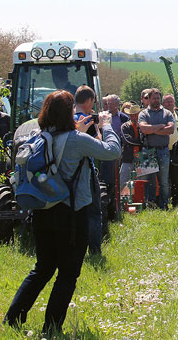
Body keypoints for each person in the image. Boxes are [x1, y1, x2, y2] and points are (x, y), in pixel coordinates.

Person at [4, 90, 120, 335]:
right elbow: (112, 152)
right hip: (71, 215)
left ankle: (13, 319)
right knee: (68, 274)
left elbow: (58, 142)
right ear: (69, 113)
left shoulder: (38, 135)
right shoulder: (77, 139)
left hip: (42, 209)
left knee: (42, 268)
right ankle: (51, 328)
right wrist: (107, 126)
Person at [73, 85, 105, 255]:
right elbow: (98, 146)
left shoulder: (68, 118)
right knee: (93, 213)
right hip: (86, 169)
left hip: (69, 171)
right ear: (90, 100)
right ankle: (94, 249)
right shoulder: (87, 121)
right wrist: (100, 126)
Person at [138, 88, 175, 210]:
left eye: (158, 98)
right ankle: (150, 204)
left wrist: (152, 129)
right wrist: (160, 127)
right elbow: (144, 129)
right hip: (147, 151)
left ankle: (164, 204)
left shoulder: (167, 113)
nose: (156, 100)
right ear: (149, 99)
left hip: (163, 150)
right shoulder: (143, 114)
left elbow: (170, 130)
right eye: (154, 98)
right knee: (148, 180)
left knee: (163, 180)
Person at [163, 93, 178, 207]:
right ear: (163, 104)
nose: (169, 103)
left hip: (177, 151)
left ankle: (176, 201)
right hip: (164, 151)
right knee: (164, 178)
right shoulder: (160, 116)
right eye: (167, 102)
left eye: (171, 101)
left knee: (177, 177)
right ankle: (164, 202)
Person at [119, 102, 143, 190]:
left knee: (142, 182)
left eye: (136, 115)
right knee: (123, 181)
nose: (134, 117)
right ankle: (121, 201)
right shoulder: (125, 126)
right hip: (128, 157)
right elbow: (128, 140)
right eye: (132, 115)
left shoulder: (143, 126)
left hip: (142, 157)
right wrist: (141, 142)